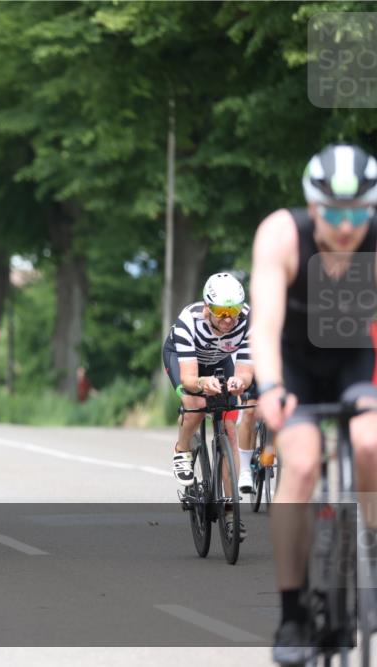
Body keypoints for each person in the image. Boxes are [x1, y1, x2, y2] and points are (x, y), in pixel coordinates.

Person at [250, 143, 377, 662]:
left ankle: (370, 545)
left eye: (358, 214)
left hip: (353, 360)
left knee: (370, 444)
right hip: (295, 363)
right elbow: (264, 324)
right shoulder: (281, 235)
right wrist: (272, 388)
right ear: (312, 207)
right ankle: (292, 616)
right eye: (333, 214)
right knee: (299, 464)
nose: (346, 226)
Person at [162, 272, 255, 539]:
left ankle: (230, 511)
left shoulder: (248, 321)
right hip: (184, 360)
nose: (228, 319)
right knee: (196, 405)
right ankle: (182, 449)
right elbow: (191, 379)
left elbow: (246, 371)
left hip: (218, 359)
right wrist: (203, 383)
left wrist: (239, 381)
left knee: (230, 425)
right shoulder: (188, 321)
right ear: (207, 308)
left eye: (234, 311)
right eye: (221, 312)